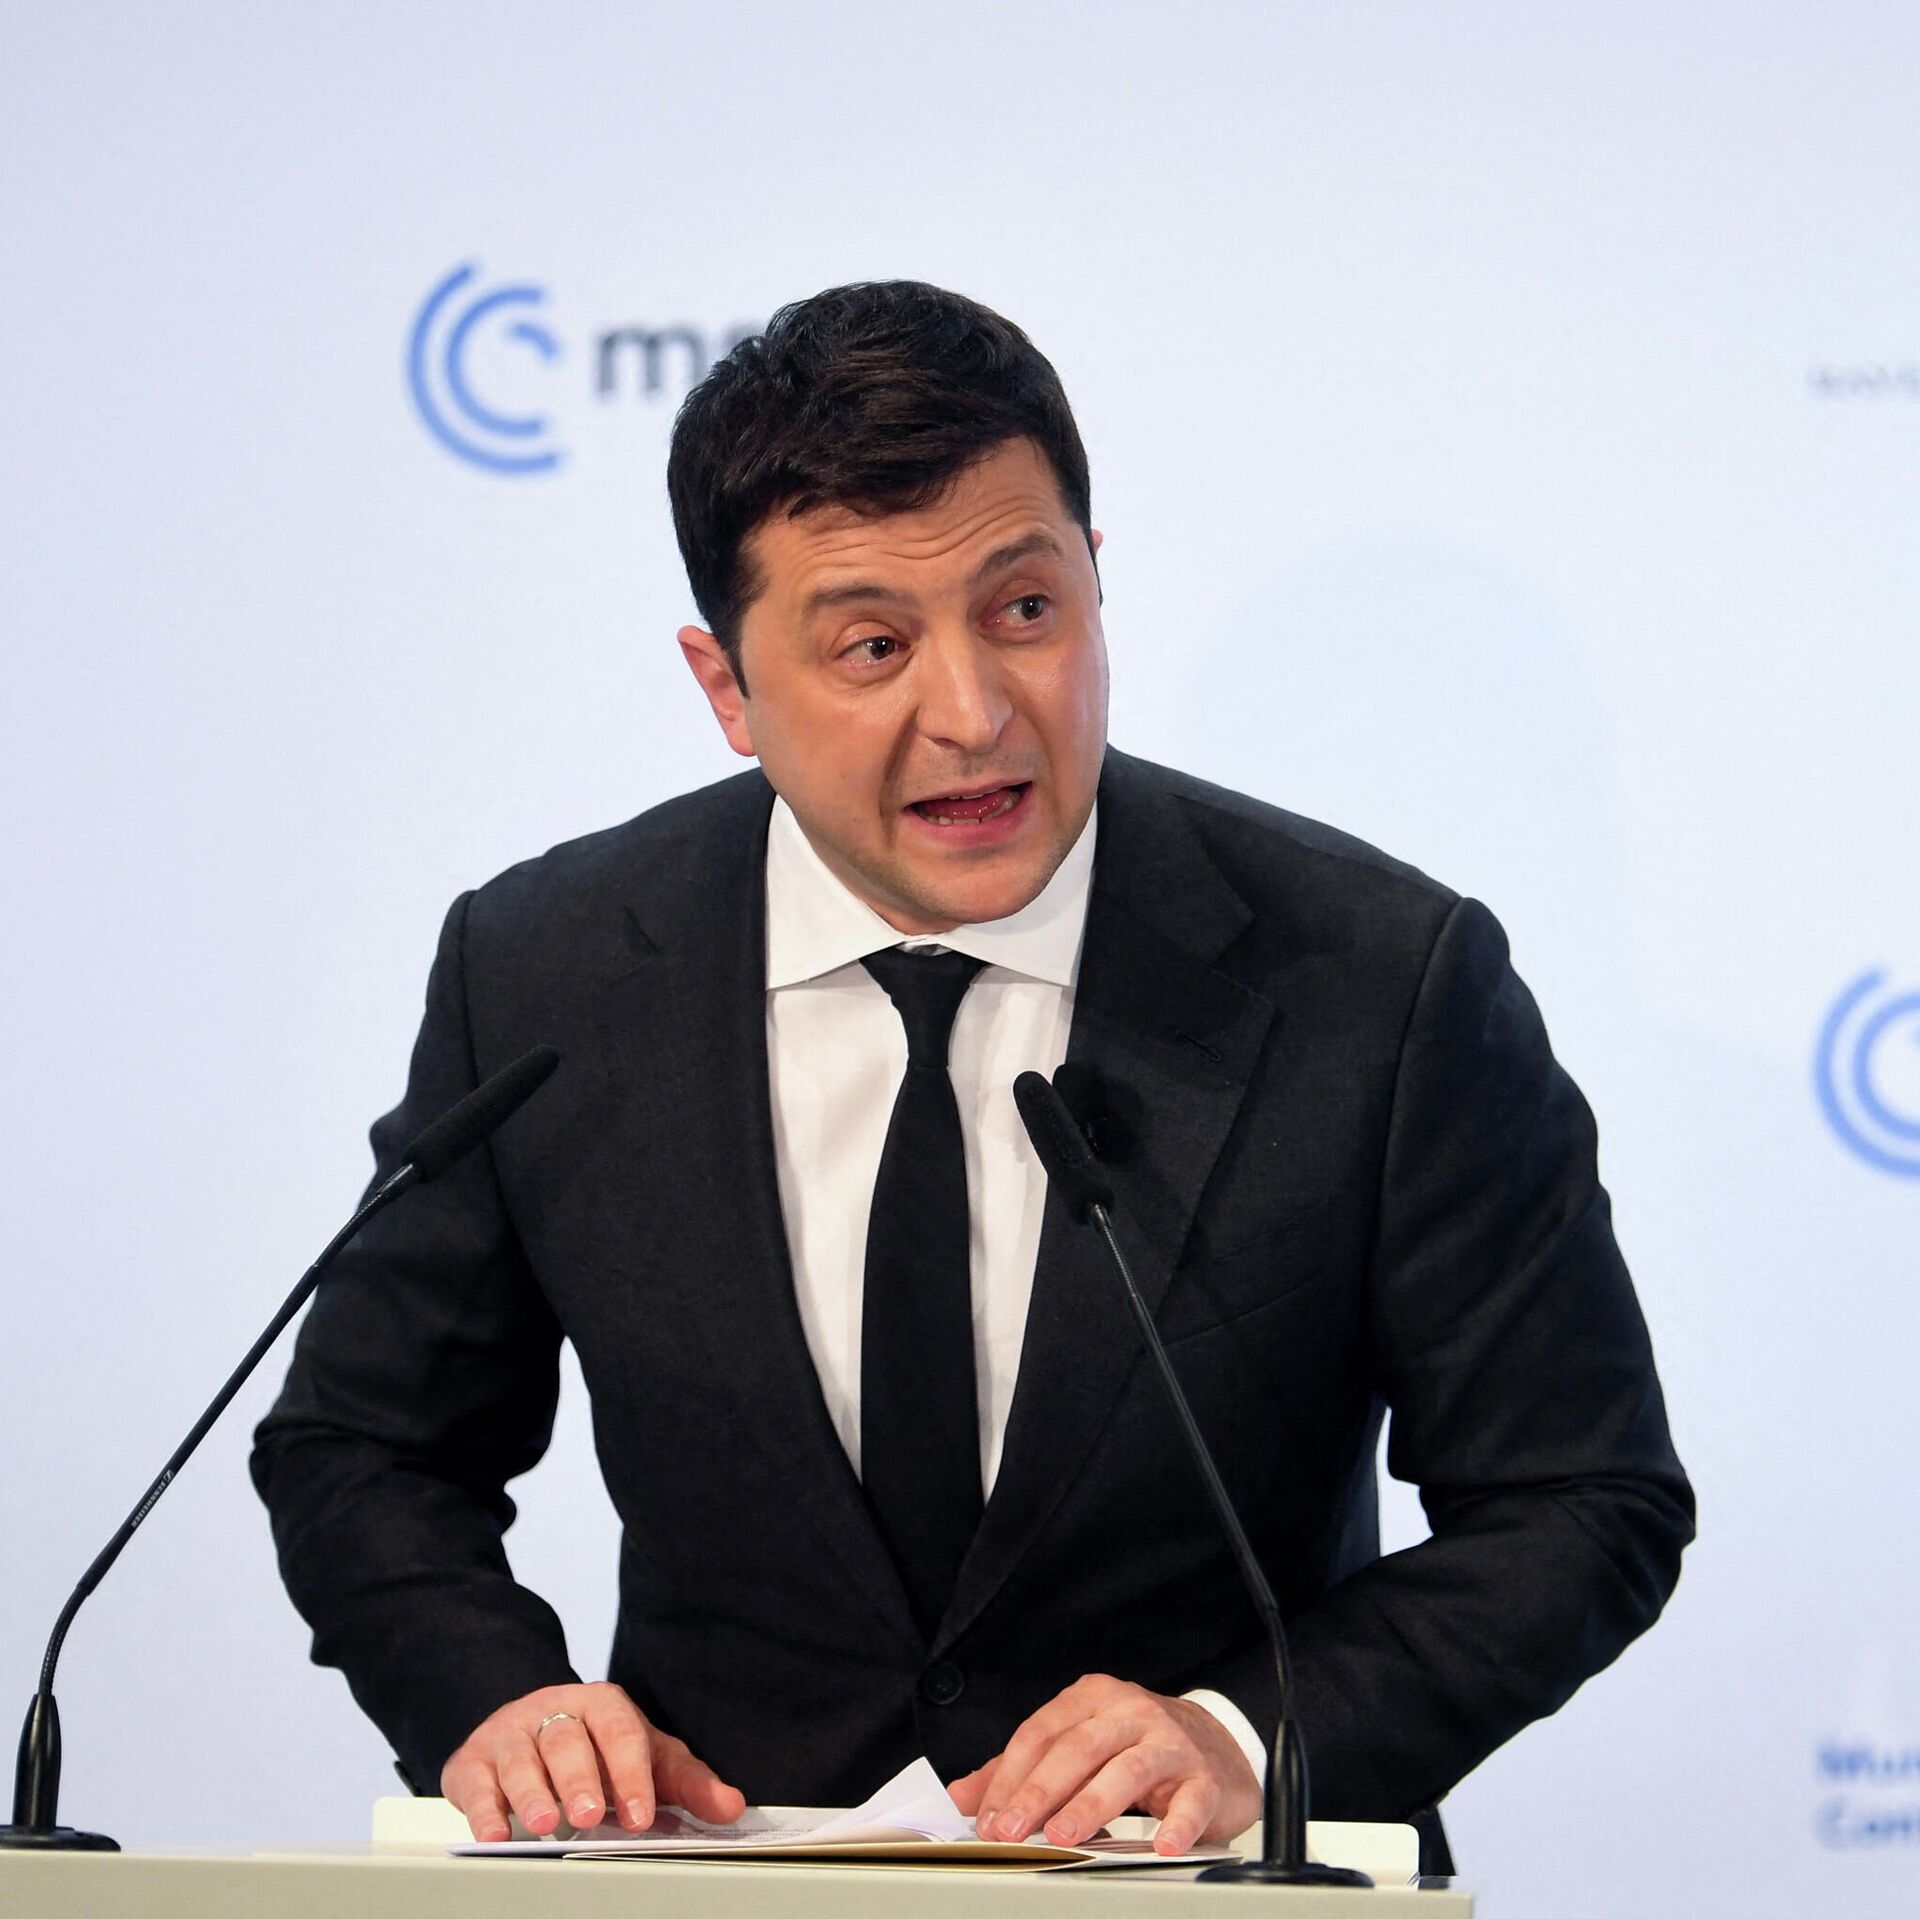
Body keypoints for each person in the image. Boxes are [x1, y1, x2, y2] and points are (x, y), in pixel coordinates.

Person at [252, 281, 1693, 1870]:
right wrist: (500, 1702)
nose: (975, 713)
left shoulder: (1378, 981)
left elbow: (1580, 1498)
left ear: (1095, 587)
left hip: (1199, 1899)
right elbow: (367, 1448)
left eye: (1024, 611)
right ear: (727, 690)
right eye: (873, 645)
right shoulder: (550, 972)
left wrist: (1244, 1736)